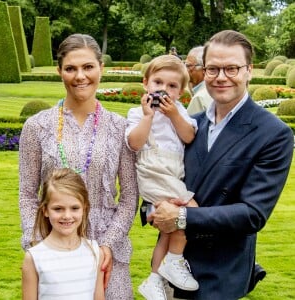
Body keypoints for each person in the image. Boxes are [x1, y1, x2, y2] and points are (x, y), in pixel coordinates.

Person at [150, 30, 294, 300]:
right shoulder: (189, 124)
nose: (221, 77)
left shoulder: (273, 133)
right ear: (203, 72)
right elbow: (160, 171)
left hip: (219, 274)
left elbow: (252, 213)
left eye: (232, 68)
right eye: (213, 69)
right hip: (168, 268)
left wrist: (180, 217)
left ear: (249, 70)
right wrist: (151, 207)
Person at [19, 33, 139, 300]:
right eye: (71, 68)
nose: (80, 76)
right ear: (59, 71)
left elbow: (130, 195)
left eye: (88, 67)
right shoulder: (37, 127)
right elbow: (27, 193)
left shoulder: (120, 128)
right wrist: (37, 243)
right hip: (55, 242)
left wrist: (108, 244)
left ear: (101, 68)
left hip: (107, 246)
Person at [125, 55, 199, 300]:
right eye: (158, 83)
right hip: (152, 174)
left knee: (168, 231)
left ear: (181, 92)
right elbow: (134, 144)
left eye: (172, 86)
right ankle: (175, 262)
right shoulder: (137, 113)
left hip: (172, 175)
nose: (163, 90)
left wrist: (174, 116)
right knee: (190, 212)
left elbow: (189, 136)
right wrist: (148, 117)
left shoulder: (180, 112)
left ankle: (155, 279)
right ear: (146, 83)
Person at [22, 168, 105, 300]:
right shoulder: (34, 258)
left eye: (74, 208)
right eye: (58, 209)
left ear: (84, 209)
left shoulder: (95, 252)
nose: (67, 216)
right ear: (45, 210)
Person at [185, 46, 213, 115]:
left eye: (189, 66)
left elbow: (190, 125)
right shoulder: (216, 90)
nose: (186, 70)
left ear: (203, 69)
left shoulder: (199, 98)